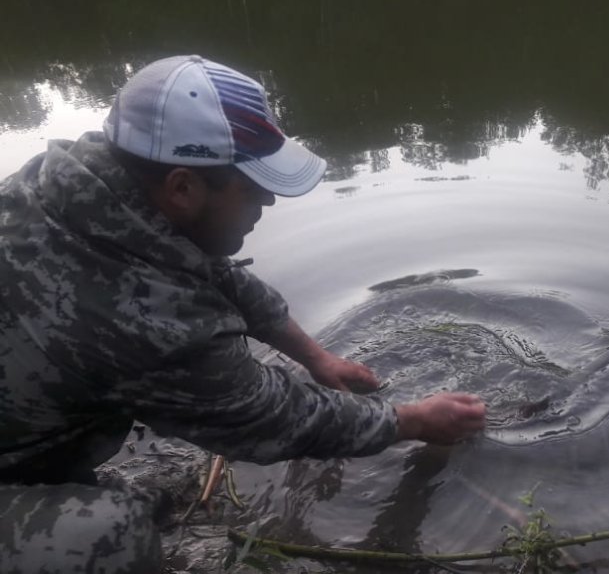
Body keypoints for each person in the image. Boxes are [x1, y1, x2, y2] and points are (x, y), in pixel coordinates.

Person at [0, 55, 486, 572]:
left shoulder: (76, 188)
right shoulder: (140, 315)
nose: (271, 201)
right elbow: (268, 415)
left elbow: (213, 273)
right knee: (110, 533)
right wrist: (412, 421)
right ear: (183, 187)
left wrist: (316, 357)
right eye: (254, 188)